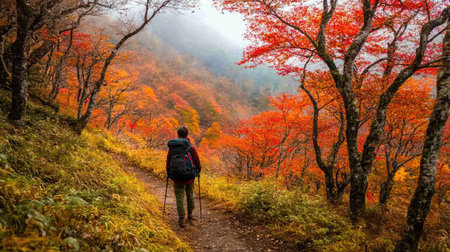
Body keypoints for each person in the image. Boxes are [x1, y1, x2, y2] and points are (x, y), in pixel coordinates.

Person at [166, 126, 201, 228]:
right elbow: (197, 161)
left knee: (179, 197)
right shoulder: (191, 147)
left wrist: (169, 173)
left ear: (178, 134)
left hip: (177, 177)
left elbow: (168, 162)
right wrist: (198, 171)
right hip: (189, 176)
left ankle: (181, 218)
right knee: (190, 195)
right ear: (187, 135)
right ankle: (190, 215)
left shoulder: (172, 148)